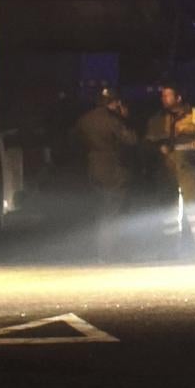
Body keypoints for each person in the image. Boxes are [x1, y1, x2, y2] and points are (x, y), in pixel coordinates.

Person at [145, 84, 195, 260]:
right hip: (166, 171)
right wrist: (158, 147)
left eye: (167, 95)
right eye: (162, 96)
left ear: (178, 97)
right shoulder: (157, 119)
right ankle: (170, 251)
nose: (163, 99)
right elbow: (148, 141)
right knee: (169, 214)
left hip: (188, 169)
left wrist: (182, 147)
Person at [72, 87, 140, 261]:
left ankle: (101, 253)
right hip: (114, 170)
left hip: (94, 169)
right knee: (115, 213)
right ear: (115, 102)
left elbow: (74, 141)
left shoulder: (84, 119)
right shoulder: (113, 120)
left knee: (101, 212)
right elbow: (131, 140)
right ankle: (112, 254)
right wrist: (125, 119)